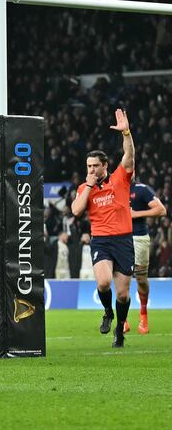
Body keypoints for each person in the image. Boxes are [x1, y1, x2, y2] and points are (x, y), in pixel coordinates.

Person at [71, 109, 134, 348]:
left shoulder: (119, 178)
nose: (91, 170)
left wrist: (126, 133)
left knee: (123, 294)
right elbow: (76, 211)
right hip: (101, 241)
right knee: (104, 283)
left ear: (105, 165)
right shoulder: (84, 188)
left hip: (124, 240)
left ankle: (120, 328)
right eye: (88, 166)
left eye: (95, 166)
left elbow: (129, 156)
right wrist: (88, 185)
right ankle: (108, 312)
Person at [127, 179, 167, 334]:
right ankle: (122, 320)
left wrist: (136, 214)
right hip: (118, 238)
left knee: (141, 279)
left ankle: (143, 313)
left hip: (138, 238)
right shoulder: (113, 188)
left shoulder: (142, 189)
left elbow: (161, 210)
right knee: (121, 279)